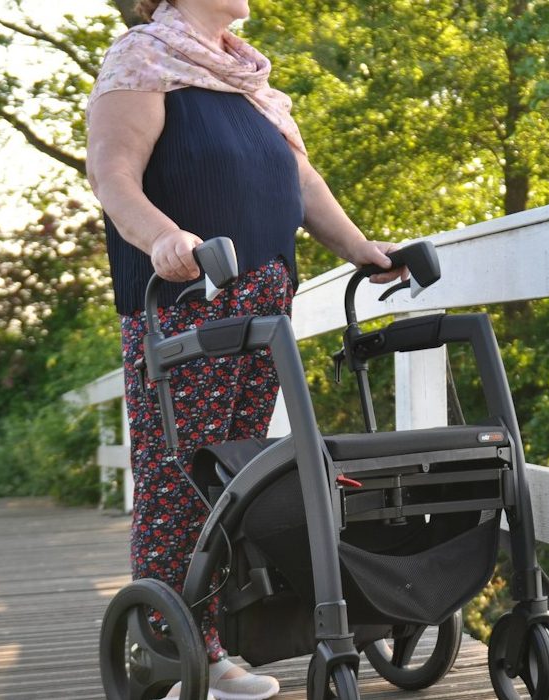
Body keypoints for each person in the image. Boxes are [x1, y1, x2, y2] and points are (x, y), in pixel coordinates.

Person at [86, 1, 404, 697]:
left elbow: (301, 183)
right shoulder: (143, 56)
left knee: (236, 476)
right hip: (185, 297)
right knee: (180, 474)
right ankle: (168, 649)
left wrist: (361, 251)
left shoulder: (247, 77)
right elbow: (112, 175)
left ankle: (213, 644)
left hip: (264, 299)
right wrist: (162, 237)